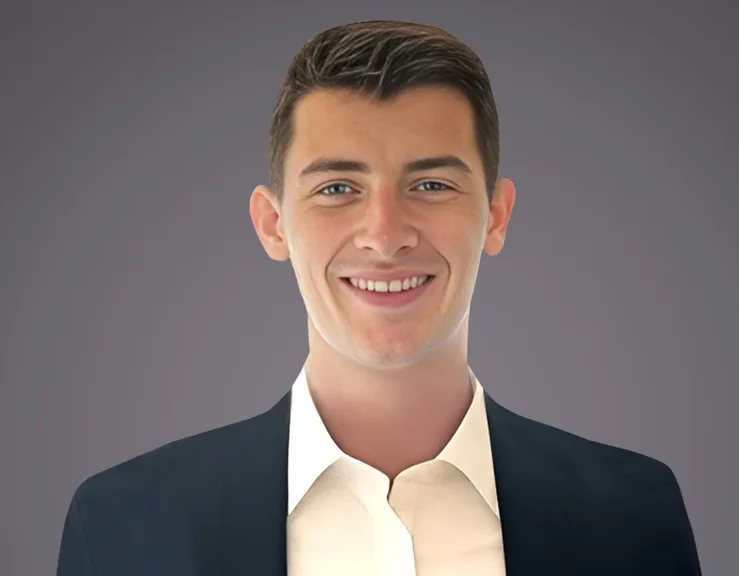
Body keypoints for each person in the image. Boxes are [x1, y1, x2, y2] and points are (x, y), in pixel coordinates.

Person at [56, 20, 702, 576]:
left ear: (497, 216)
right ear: (273, 224)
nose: (386, 236)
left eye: (430, 184)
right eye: (338, 188)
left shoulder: (633, 514)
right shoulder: (123, 521)